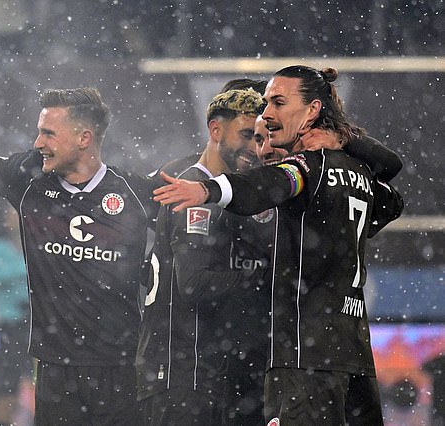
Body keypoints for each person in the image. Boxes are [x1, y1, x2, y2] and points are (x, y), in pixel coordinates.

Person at [152, 65, 404, 425]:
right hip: (353, 351)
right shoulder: (357, 172)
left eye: (277, 103)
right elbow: (393, 194)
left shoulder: (303, 169)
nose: (268, 118)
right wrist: (346, 140)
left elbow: (268, 185)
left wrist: (208, 189)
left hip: (304, 352)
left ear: (312, 111)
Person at [0, 52, 158, 425]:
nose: (38, 142)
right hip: (55, 371)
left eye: (49, 133)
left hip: (123, 369)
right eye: (39, 131)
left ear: (84, 138)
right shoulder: (28, 181)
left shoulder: (133, 194)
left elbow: (190, 235)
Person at [137, 87, 275, 426]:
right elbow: (195, 284)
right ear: (215, 130)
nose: (254, 147)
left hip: (201, 373)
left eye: (259, 138)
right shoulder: (194, 192)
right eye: (246, 134)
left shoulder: (228, 192)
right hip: (184, 375)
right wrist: (269, 278)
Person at [0, 204, 32, 425]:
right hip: (11, 324)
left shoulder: (35, 245)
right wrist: (24, 268)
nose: (15, 221)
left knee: (44, 379)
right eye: (11, 216)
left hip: (39, 324)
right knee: (7, 382)